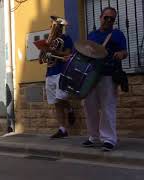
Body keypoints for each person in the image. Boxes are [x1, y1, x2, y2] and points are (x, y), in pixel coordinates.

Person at [82, 7, 127, 151]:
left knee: (108, 107)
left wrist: (121, 54)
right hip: (92, 75)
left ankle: (109, 139)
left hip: (108, 74)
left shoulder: (117, 34)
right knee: (90, 107)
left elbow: (124, 51)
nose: (108, 20)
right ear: (100, 17)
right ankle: (94, 137)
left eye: (112, 18)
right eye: (106, 17)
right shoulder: (92, 35)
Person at [38, 16, 75, 139]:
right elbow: (41, 60)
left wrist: (54, 52)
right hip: (49, 73)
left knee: (61, 97)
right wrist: (43, 50)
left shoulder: (65, 38)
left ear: (60, 27)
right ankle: (62, 129)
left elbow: (68, 53)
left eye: (55, 26)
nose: (52, 28)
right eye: (52, 25)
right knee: (55, 102)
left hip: (61, 71)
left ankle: (69, 108)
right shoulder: (49, 41)